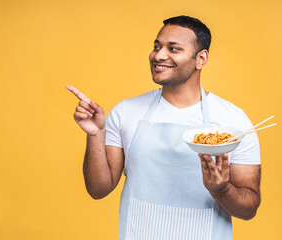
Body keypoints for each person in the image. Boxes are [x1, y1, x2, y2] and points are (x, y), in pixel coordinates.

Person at [66, 15, 261, 240]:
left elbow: (249, 209)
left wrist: (221, 190)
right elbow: (98, 189)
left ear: (201, 58)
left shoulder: (233, 122)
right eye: (156, 46)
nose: (158, 55)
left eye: (173, 48)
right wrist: (96, 134)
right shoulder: (125, 112)